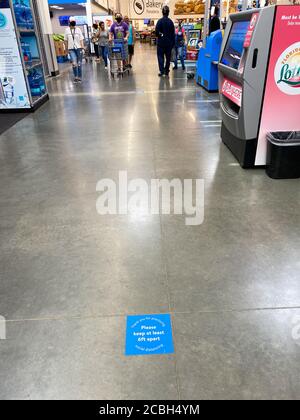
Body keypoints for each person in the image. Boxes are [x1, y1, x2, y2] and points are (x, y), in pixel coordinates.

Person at [155, 5, 175, 77]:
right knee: (168, 58)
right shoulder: (171, 22)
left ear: (162, 12)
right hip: (169, 44)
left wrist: (161, 35)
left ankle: (162, 71)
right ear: (168, 12)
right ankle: (166, 71)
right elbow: (173, 34)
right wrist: (173, 44)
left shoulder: (159, 21)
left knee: (160, 57)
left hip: (161, 44)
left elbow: (156, 32)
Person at [64, 17, 84, 83]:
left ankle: (80, 77)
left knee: (79, 63)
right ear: (69, 22)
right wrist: (66, 50)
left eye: (74, 21)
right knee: (74, 63)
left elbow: (81, 39)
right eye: (71, 21)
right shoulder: (66, 30)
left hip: (78, 48)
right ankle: (76, 77)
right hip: (71, 48)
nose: (73, 22)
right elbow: (65, 41)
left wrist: (82, 47)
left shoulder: (78, 29)